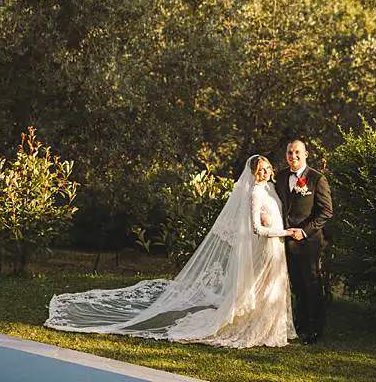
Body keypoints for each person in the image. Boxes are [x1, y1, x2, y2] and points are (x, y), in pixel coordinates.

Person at [46, 155, 296, 348]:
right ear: (253, 173)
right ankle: (257, 328)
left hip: (276, 248)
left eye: (267, 168)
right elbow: (256, 228)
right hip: (267, 244)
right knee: (261, 287)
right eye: (259, 169)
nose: (264, 172)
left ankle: (273, 329)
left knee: (272, 287)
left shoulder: (270, 189)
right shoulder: (254, 192)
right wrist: (285, 232)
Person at [274, 138, 334, 343]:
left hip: (308, 243)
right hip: (284, 242)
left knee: (311, 285)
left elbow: (326, 212)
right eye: (290, 152)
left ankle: (315, 329)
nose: (293, 156)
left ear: (306, 154)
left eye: (297, 152)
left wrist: (304, 232)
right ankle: (299, 324)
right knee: (296, 285)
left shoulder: (317, 179)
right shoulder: (280, 178)